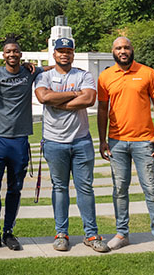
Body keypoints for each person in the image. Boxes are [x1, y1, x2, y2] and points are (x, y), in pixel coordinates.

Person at [97, 37, 154, 258]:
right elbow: (103, 110)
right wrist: (102, 140)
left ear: (132, 50)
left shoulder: (148, 73)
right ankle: (122, 234)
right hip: (117, 142)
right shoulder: (105, 77)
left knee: (151, 189)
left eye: (126, 47)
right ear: (113, 51)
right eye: (119, 48)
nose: (123, 51)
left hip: (144, 142)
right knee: (119, 189)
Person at [34, 38, 110, 253]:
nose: (64, 54)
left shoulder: (83, 75)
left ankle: (91, 234)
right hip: (54, 141)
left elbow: (89, 100)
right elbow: (43, 97)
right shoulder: (44, 75)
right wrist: (74, 95)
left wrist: (58, 101)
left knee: (85, 188)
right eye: (60, 51)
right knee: (59, 187)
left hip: (81, 140)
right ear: (54, 53)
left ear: (73, 53)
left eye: (68, 51)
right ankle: (61, 234)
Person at [0, 34, 44, 251]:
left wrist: (34, 66)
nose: (12, 54)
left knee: (15, 189)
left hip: (20, 141)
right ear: (3, 56)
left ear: (21, 54)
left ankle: (8, 233)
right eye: (8, 52)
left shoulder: (30, 73)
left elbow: (54, 68)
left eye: (15, 51)